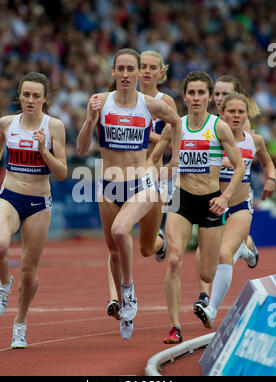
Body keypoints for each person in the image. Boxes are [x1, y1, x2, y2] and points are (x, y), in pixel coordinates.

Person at [76, 48, 182, 340]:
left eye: (130, 70)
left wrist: (174, 159)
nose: (125, 75)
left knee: (121, 231)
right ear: (113, 72)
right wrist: (89, 120)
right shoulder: (100, 102)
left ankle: (128, 289)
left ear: (137, 74)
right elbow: (82, 149)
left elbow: (177, 122)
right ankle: (126, 309)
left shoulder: (149, 105)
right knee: (113, 251)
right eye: (120, 69)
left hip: (141, 184)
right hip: (109, 187)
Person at [148, 71, 245, 344]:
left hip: (211, 202)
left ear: (209, 96)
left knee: (206, 273)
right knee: (175, 260)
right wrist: (162, 171)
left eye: (201, 93)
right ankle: (174, 326)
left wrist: (225, 197)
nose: (196, 98)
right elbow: (153, 159)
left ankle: (239, 249)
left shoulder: (219, 127)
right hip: (181, 200)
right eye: (191, 93)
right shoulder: (175, 125)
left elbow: (239, 166)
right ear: (184, 96)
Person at [0, 72, 67, 349]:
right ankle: (5, 282)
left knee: (29, 272)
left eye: (36, 96)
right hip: (9, 195)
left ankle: (20, 324)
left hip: (39, 204)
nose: (30, 100)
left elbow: (63, 173)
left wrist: (44, 149)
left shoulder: (54, 127)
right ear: (19, 96)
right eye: (26, 95)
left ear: (45, 99)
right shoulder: (7, 123)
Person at [194, 93, 276, 329]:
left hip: (240, 207)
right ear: (222, 114)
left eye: (241, 112)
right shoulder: (209, 139)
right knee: (205, 264)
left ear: (246, 115)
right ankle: (244, 248)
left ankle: (211, 310)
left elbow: (268, 162)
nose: (237, 116)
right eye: (232, 112)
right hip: (212, 207)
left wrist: (271, 177)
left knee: (222, 255)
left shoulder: (254, 140)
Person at [106, 50, 176, 321]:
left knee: (145, 248)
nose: (146, 71)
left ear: (161, 72)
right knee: (115, 238)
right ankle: (117, 297)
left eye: (151, 68)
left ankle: (160, 245)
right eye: (142, 66)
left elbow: (172, 132)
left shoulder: (163, 101)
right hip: (117, 175)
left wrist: (150, 141)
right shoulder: (118, 98)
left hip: (151, 178)